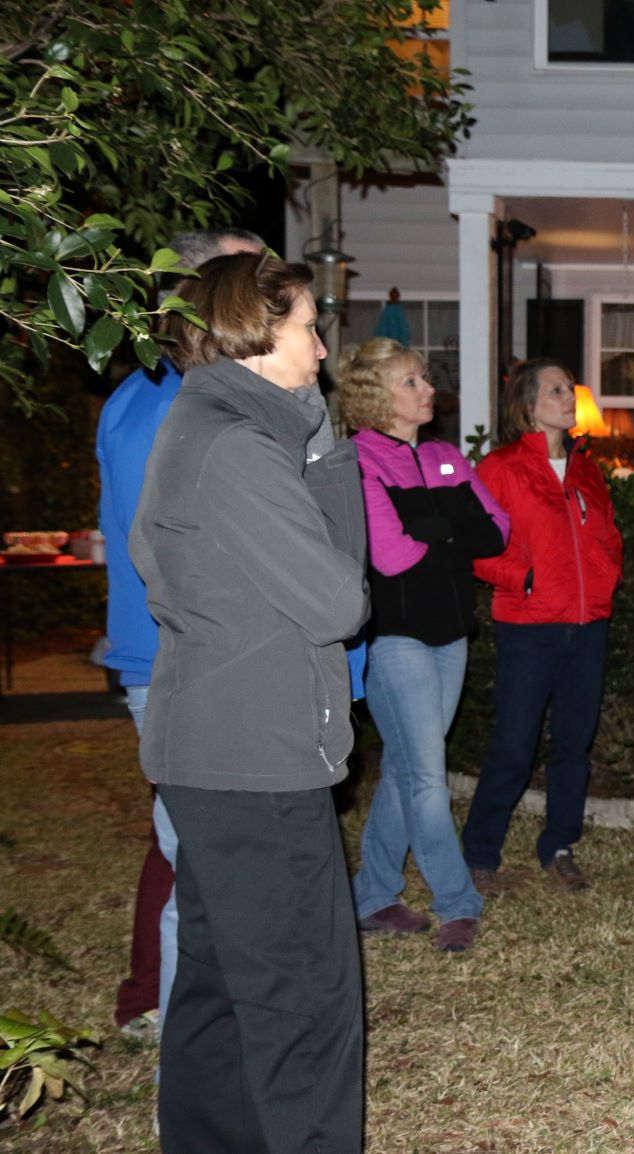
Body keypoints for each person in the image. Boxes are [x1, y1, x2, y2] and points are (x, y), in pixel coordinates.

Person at [132, 252, 369, 1151]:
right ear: (257, 333)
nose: (320, 347)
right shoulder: (236, 445)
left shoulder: (212, 426)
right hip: (255, 760)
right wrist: (326, 446)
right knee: (304, 1005)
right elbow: (340, 599)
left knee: (223, 990)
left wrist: (312, 438)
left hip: (219, 751)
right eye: (309, 326)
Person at [100, 228, 265, 1041]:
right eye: (250, 275)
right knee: (201, 848)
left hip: (187, 654)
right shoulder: (170, 408)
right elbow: (176, 555)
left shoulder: (171, 394)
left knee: (183, 840)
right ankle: (172, 1012)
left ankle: (153, 995)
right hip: (179, 657)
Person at [340, 338, 509, 952]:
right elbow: (389, 555)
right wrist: (450, 528)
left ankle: (372, 898)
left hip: (451, 629)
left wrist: (432, 528)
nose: (428, 389)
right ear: (377, 396)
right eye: (412, 381)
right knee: (428, 779)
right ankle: (457, 900)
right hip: (395, 638)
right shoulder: (359, 460)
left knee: (411, 772)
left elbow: (495, 531)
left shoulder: (443, 454)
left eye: (423, 379)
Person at [463, 358, 623, 895]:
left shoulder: (585, 468)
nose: (568, 397)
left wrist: (605, 578)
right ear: (529, 405)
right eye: (556, 390)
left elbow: (607, 538)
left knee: (574, 745)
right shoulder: (500, 469)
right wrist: (523, 578)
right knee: (514, 744)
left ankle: (558, 843)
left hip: (587, 626)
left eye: (569, 389)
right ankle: (480, 851)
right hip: (529, 627)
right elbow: (474, 548)